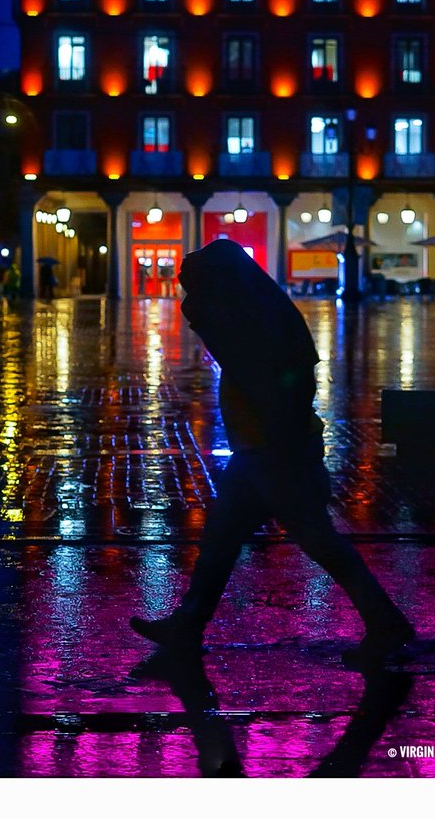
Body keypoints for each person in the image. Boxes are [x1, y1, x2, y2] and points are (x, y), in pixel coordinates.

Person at [130, 239, 415, 663]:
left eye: (200, 293)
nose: (194, 308)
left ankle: (385, 622)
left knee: (318, 545)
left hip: (273, 455)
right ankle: (186, 627)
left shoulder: (254, 331)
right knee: (224, 541)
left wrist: (288, 454)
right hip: (261, 453)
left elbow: (278, 392)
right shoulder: (260, 317)